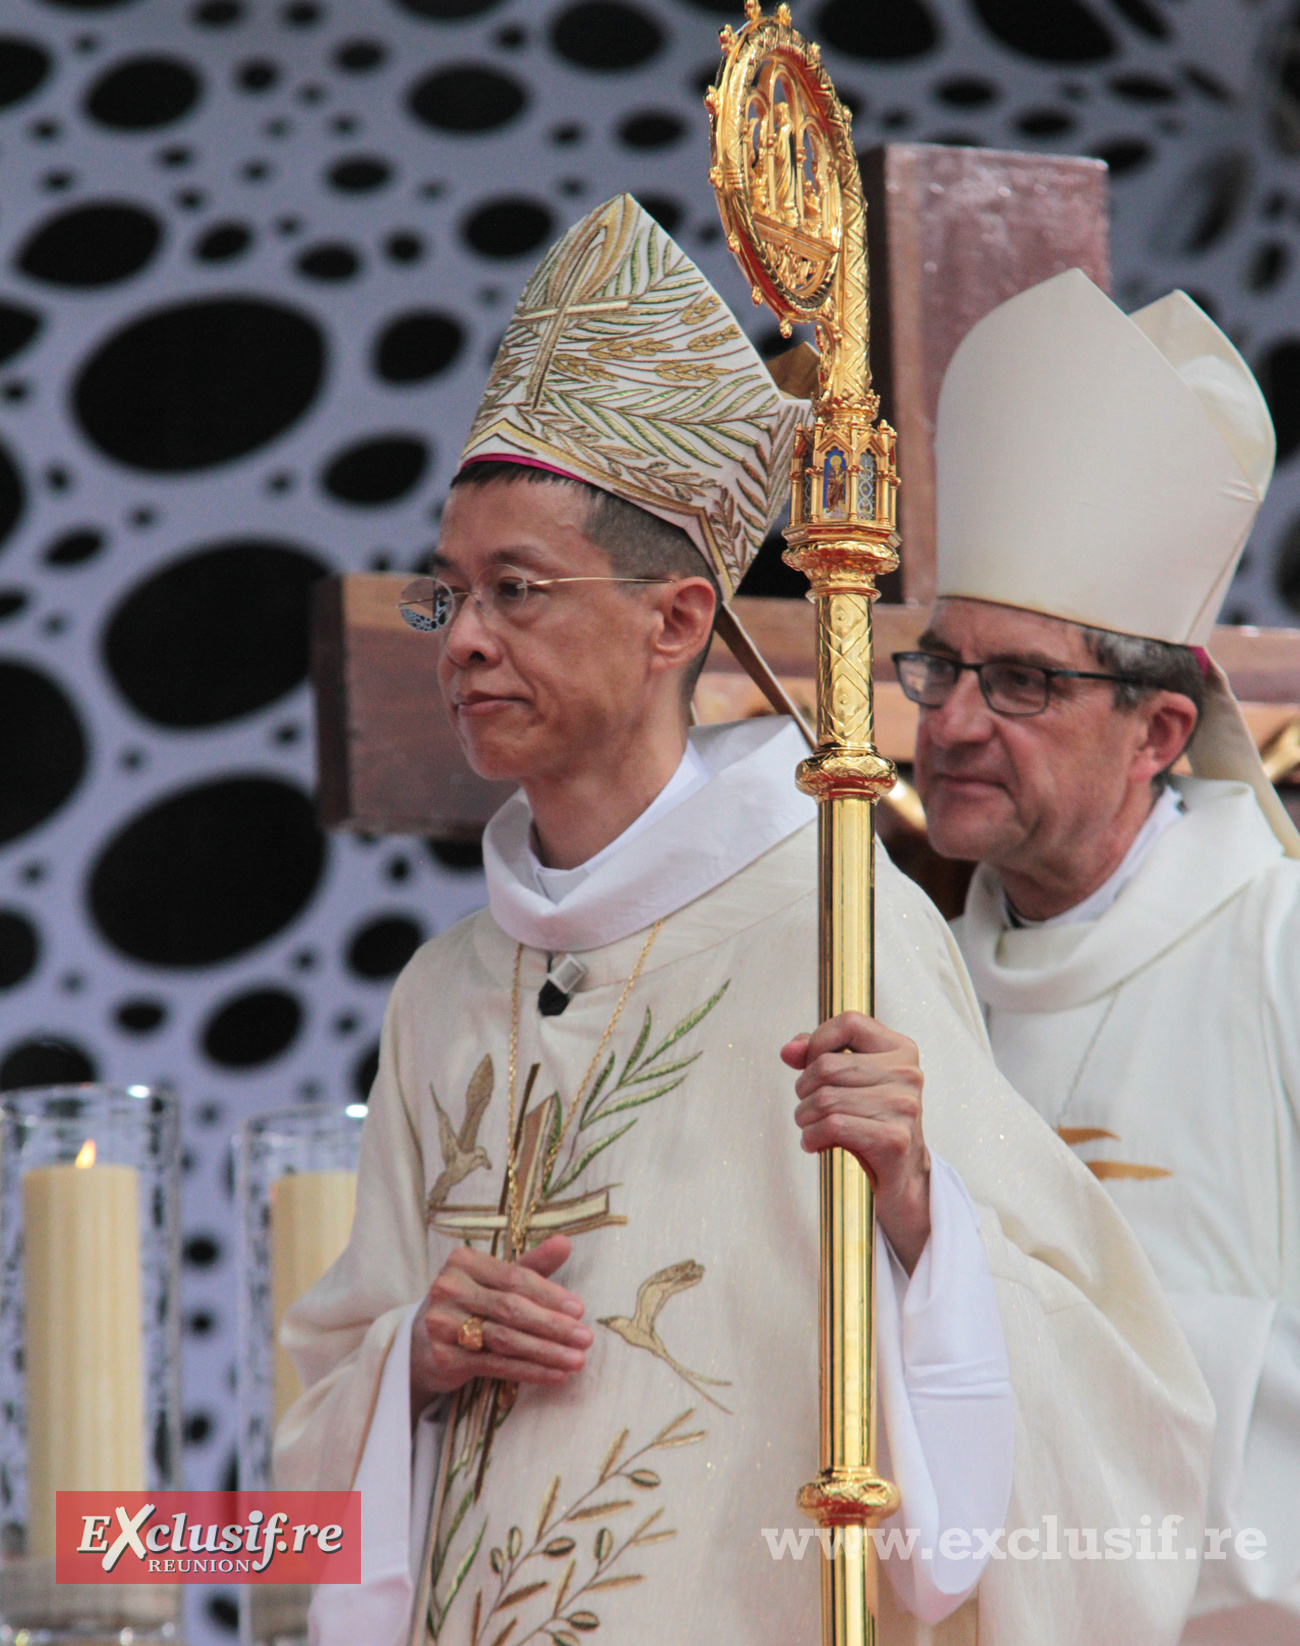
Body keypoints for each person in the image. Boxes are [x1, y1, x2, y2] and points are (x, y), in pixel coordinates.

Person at [276, 198, 1212, 1646]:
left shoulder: (837, 928)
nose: (462, 639)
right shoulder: (444, 990)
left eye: (516, 591)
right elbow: (318, 1426)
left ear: (674, 623)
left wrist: (917, 1214)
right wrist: (413, 1356)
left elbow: (1106, 1391)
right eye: (447, 595)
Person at [907, 267, 1300, 1643]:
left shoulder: (1280, 951)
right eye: (939, 666)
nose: (953, 719)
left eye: (1020, 681)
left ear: (1157, 732)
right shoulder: (903, 990)